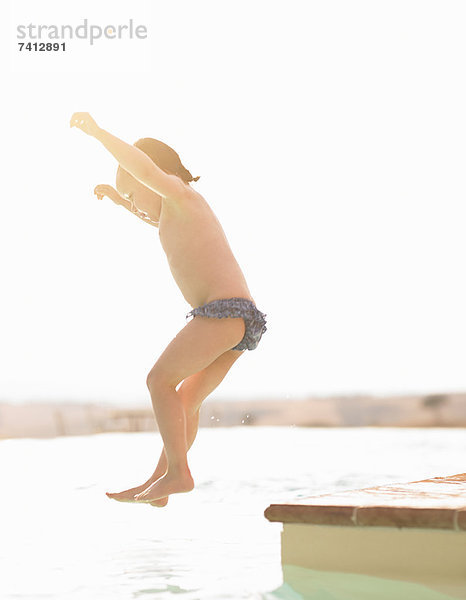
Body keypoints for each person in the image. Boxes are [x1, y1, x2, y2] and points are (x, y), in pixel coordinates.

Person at [70, 112, 268, 507]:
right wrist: (117, 200)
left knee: (158, 381)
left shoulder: (179, 192)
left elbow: (141, 166)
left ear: (153, 177)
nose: (136, 202)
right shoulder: (178, 211)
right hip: (240, 320)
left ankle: (178, 474)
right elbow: (149, 215)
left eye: (135, 192)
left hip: (221, 312)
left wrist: (97, 133)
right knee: (185, 401)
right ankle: (162, 481)